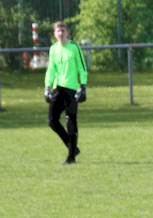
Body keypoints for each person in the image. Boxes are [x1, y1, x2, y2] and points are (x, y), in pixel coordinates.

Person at [44, 21, 88, 165]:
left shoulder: (74, 47)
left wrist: (83, 86)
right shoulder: (53, 49)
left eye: (63, 31)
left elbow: (82, 68)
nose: (61, 33)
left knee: (71, 121)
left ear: (67, 33)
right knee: (52, 120)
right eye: (58, 31)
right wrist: (47, 87)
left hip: (71, 89)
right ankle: (72, 146)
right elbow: (51, 70)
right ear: (54, 34)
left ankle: (71, 157)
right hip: (58, 88)